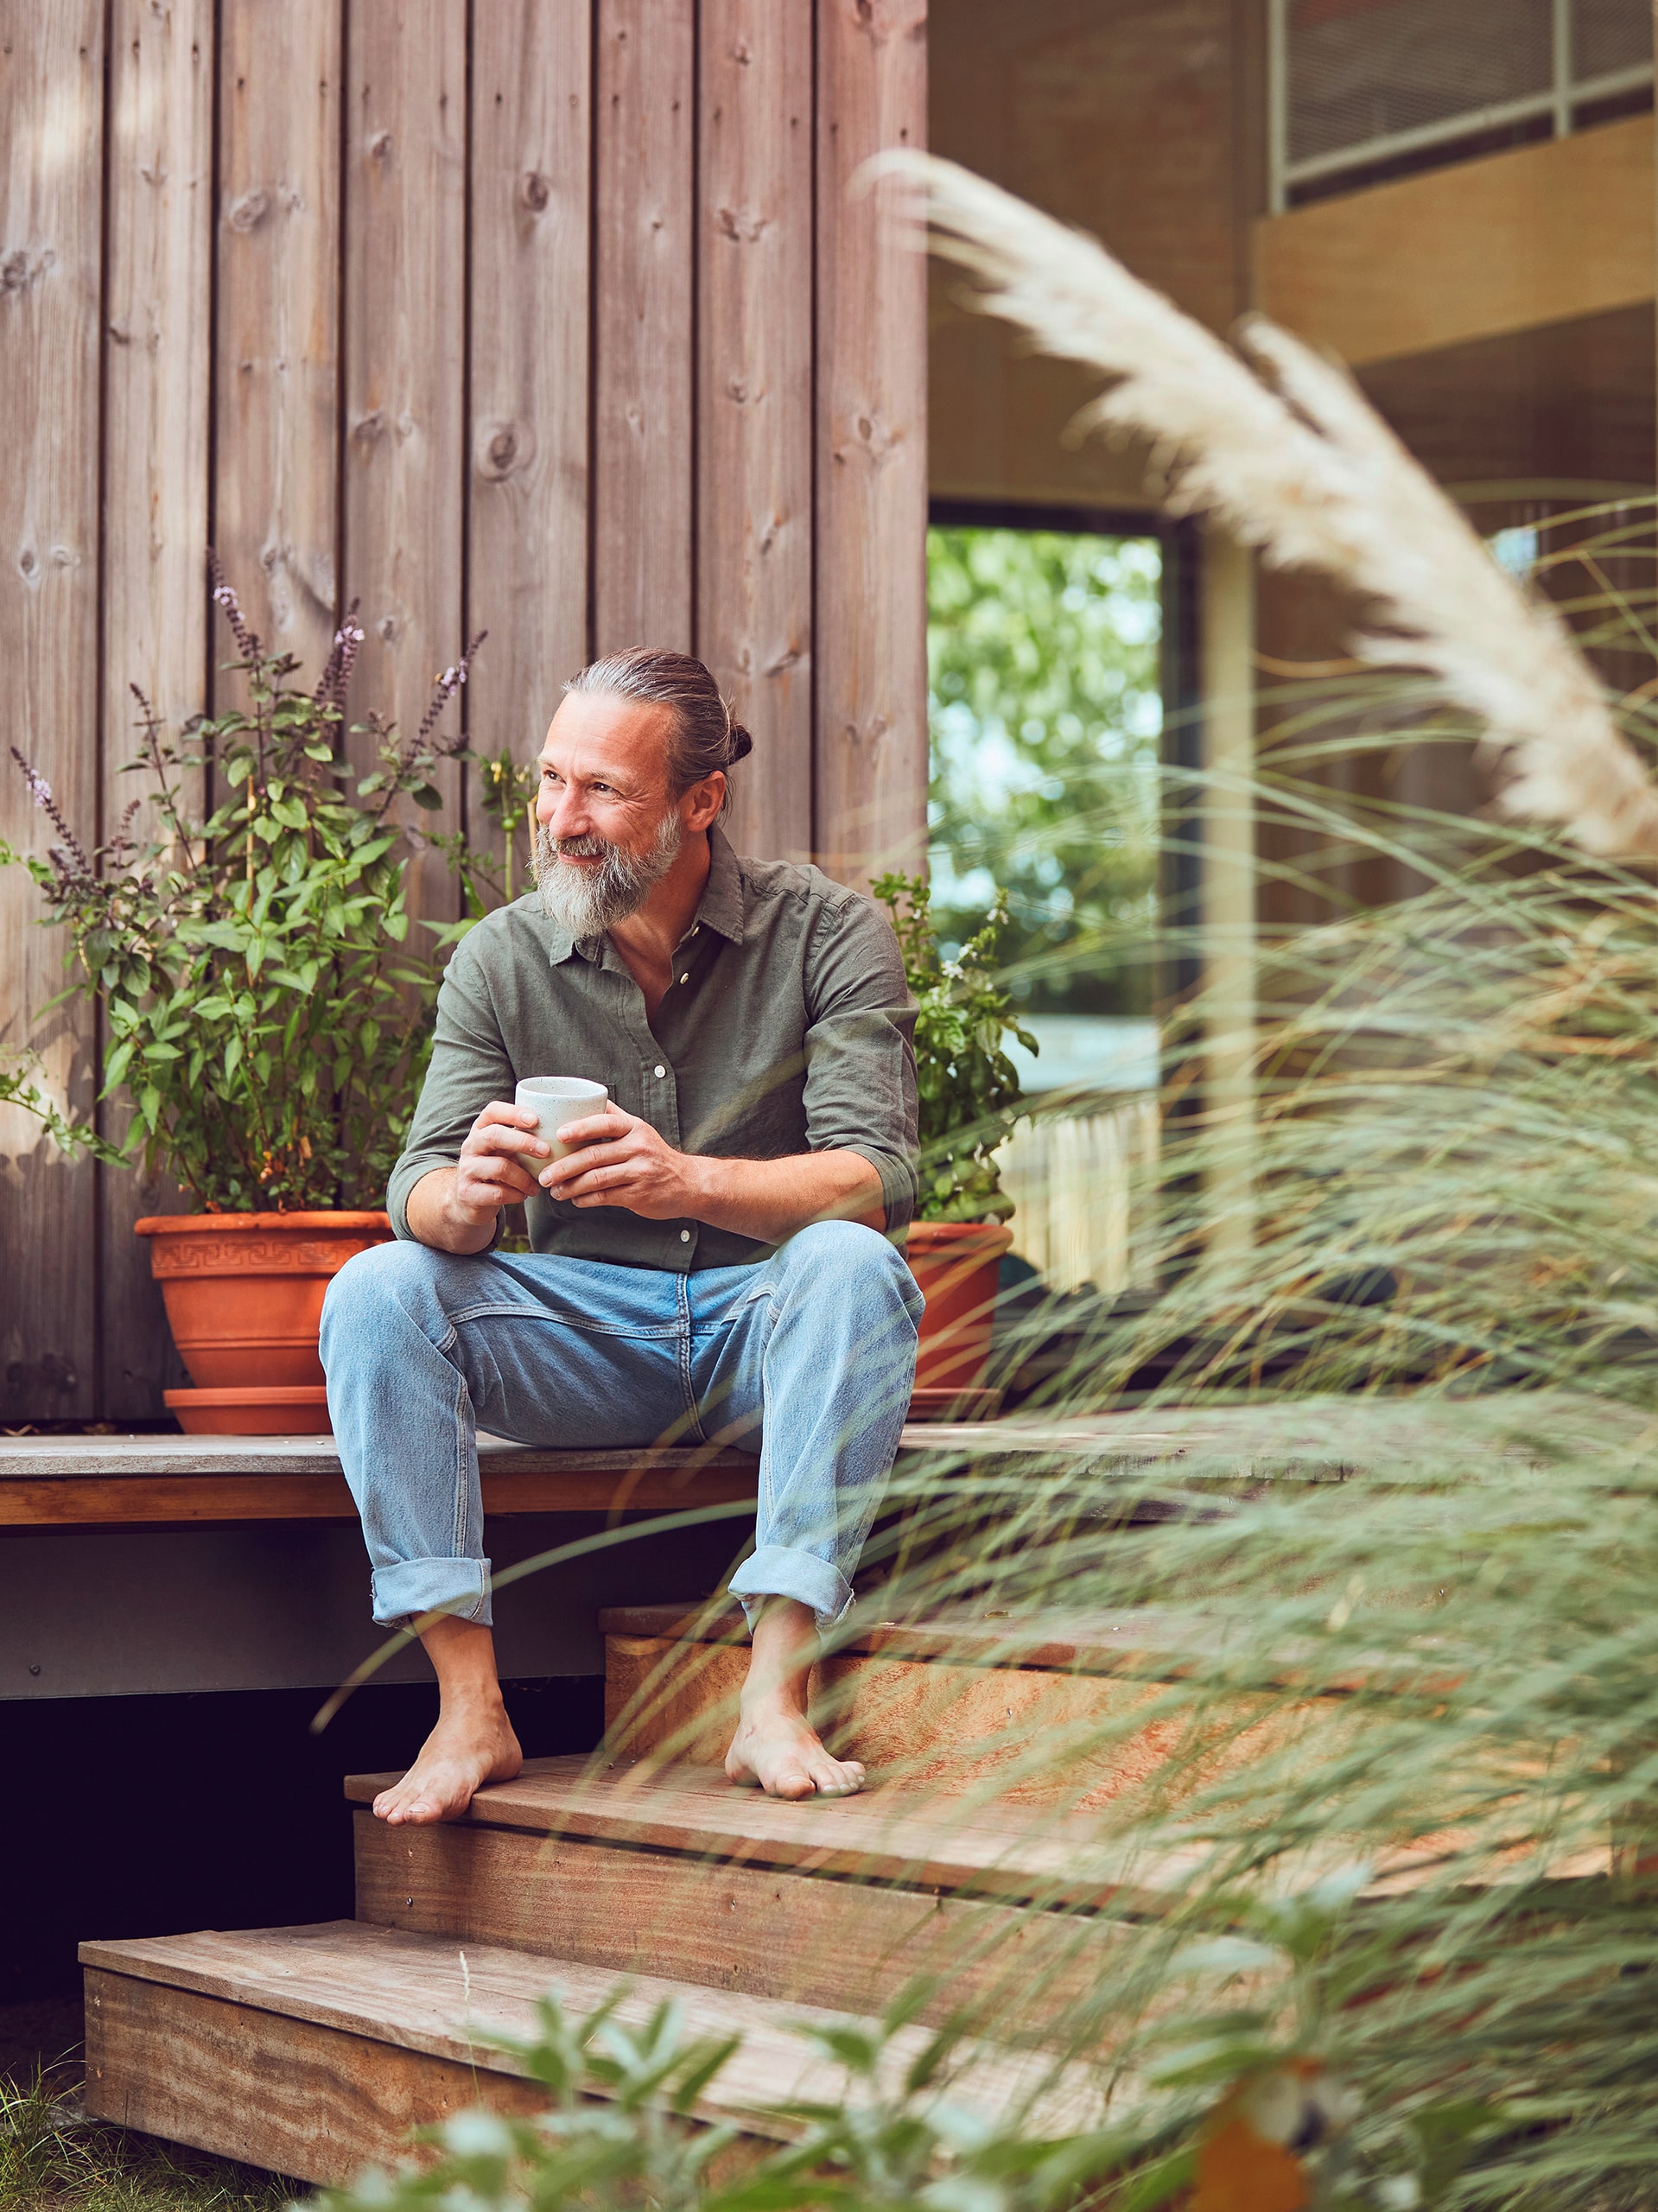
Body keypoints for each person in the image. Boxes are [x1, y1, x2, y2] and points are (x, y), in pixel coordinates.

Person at [320, 647, 922, 1826]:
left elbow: (878, 1176)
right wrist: (471, 1198)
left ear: (702, 802)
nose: (562, 819)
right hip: (583, 1339)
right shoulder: (500, 957)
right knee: (381, 1288)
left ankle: (774, 1693)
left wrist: (688, 1182)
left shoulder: (830, 934)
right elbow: (419, 1189)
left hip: (768, 1328)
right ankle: (468, 1707)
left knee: (857, 1261)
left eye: (603, 791)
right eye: (550, 782)